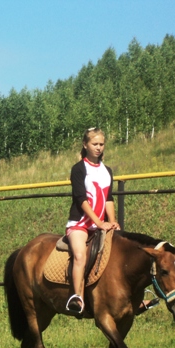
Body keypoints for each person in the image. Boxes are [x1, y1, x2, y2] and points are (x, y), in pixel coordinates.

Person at [65, 128, 120, 314]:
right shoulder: (78, 169)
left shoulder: (107, 171)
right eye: (94, 144)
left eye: (101, 144)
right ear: (85, 145)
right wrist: (99, 222)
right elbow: (81, 199)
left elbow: (109, 198)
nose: (98, 148)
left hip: (100, 224)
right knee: (80, 255)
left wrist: (113, 221)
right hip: (80, 224)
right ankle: (77, 297)